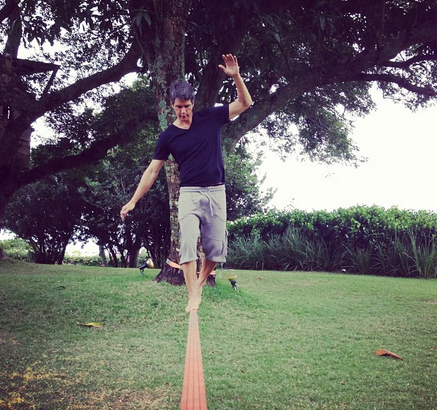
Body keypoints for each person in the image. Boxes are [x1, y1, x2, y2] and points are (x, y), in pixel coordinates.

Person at [120, 54, 252, 312]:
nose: (183, 112)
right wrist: (133, 200)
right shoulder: (168, 136)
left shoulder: (211, 117)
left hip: (216, 191)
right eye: (178, 107)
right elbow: (152, 171)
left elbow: (245, 103)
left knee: (215, 251)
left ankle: (201, 282)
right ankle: (193, 295)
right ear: (171, 105)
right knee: (189, 243)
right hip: (189, 194)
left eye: (187, 106)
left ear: (193, 103)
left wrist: (236, 76)